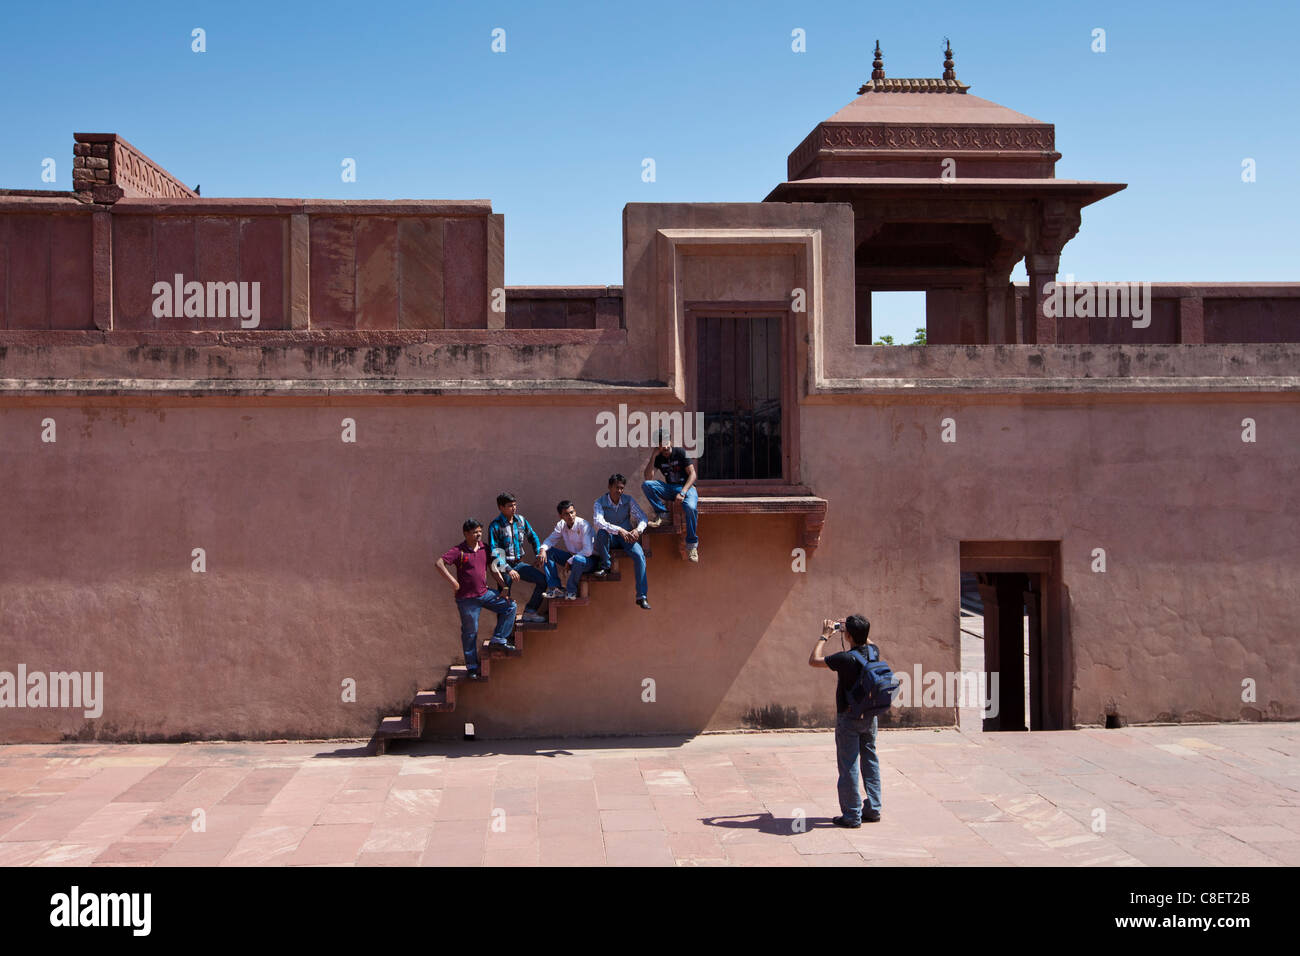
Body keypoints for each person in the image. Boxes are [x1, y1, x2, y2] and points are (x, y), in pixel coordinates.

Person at [809, 614, 882, 827]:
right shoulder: (874, 652)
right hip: (869, 715)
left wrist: (825, 636)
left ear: (847, 635)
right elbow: (869, 641)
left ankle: (851, 815)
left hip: (848, 717)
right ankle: (873, 809)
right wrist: (856, 630)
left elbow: (814, 660)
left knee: (848, 764)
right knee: (870, 760)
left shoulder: (845, 658)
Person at [436, 518, 517, 680]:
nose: (478, 534)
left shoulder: (484, 548)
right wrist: (454, 583)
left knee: (510, 606)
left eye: (480, 531)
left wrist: (504, 586)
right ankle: (472, 667)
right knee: (470, 632)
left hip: (484, 594)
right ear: (466, 533)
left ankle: (499, 638)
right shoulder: (459, 550)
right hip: (467, 600)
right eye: (475, 532)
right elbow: (439, 563)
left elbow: (493, 568)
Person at [487, 493, 549, 624]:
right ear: (501, 507)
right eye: (510, 506)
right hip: (504, 568)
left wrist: (538, 553)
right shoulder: (495, 526)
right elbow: (495, 551)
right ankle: (503, 635)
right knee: (505, 598)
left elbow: (533, 537)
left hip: (519, 564)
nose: (514, 508)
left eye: (515, 505)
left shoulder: (521, 520)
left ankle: (530, 611)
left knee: (542, 580)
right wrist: (508, 569)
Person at [591, 473, 651, 610]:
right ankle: (606, 566)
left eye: (622, 488)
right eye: (616, 487)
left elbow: (643, 518)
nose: (619, 491)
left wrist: (638, 530)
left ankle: (642, 596)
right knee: (601, 533)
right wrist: (619, 530)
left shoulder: (628, 500)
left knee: (639, 556)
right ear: (609, 487)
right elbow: (598, 522)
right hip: (611, 537)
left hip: (627, 537)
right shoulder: (599, 502)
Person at [642, 430, 700, 563]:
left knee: (690, 508)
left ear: (671, 442)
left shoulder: (680, 452)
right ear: (658, 446)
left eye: (667, 443)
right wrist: (653, 456)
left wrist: (683, 492)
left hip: (688, 488)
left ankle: (692, 546)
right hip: (671, 488)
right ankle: (662, 514)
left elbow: (693, 475)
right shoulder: (659, 457)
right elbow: (648, 477)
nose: (666, 447)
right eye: (662, 445)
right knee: (647, 485)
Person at [538, 500, 595, 601]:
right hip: (573, 558)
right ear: (561, 516)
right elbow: (550, 540)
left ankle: (571, 591)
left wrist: (570, 560)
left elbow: (588, 551)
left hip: (588, 560)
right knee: (548, 552)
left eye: (572, 512)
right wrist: (542, 549)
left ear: (575, 512)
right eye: (566, 514)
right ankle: (555, 588)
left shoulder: (583, 525)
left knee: (577, 559)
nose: (570, 516)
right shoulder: (561, 525)